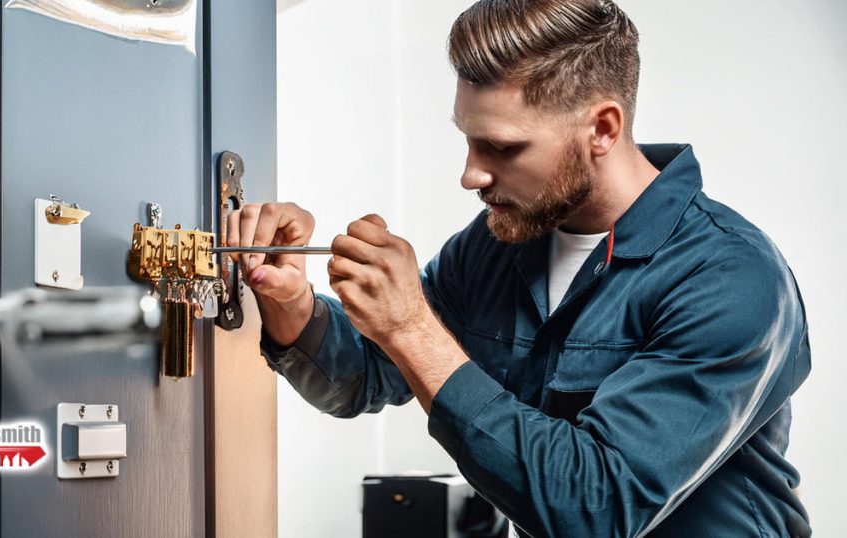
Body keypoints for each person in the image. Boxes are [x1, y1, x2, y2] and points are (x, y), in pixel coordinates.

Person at [227, 0, 811, 536]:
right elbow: (366, 376)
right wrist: (290, 301)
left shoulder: (729, 278)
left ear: (602, 129)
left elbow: (595, 510)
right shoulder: (496, 244)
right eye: (468, 140)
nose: (471, 175)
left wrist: (410, 326)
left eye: (502, 148)